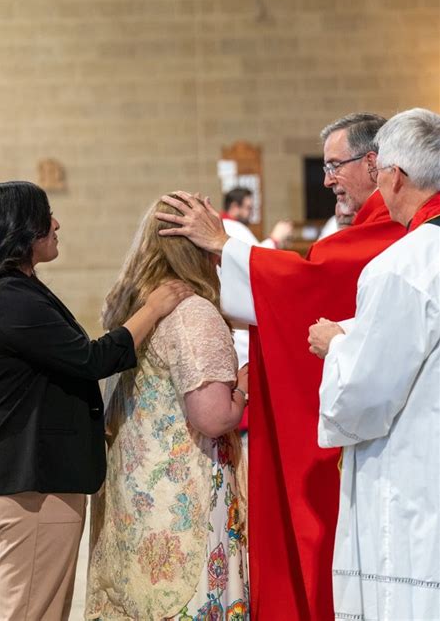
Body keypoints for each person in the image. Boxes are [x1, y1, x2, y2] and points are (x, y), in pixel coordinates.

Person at [155, 113, 407, 620]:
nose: (326, 178)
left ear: (375, 162)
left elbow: (310, 282)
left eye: (336, 165)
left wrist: (226, 246)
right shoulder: (373, 231)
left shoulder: (393, 233)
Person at [0, 181, 192, 621]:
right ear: (17, 230)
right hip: (32, 479)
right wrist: (156, 306)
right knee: (29, 613)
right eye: (44, 216)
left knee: (43, 610)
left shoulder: (16, 288)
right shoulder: (6, 297)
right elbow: (90, 359)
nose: (56, 223)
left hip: (39, 476)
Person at [86, 196, 249, 620]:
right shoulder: (193, 312)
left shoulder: (134, 306)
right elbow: (213, 418)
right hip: (184, 497)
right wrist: (244, 388)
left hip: (136, 492)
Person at [308, 107, 440, 620]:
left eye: (380, 168)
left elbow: (364, 398)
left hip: (414, 479)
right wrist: (358, 334)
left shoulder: (400, 266)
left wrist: (337, 346)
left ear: (396, 176)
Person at [221, 186, 292, 249]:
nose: (251, 213)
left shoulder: (225, 225)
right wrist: (275, 239)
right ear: (234, 207)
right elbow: (256, 257)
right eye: (248, 208)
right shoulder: (233, 227)